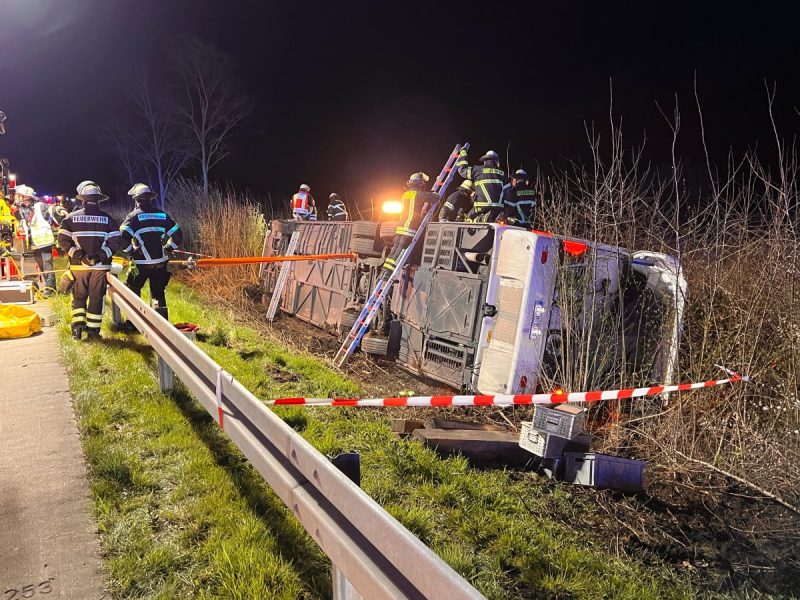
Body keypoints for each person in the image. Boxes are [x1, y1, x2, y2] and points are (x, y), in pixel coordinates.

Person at [58, 181, 121, 340]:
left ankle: (77, 330)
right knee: (96, 298)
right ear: (99, 200)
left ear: (82, 200)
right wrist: (99, 256)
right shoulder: (108, 219)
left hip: (78, 267)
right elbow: (115, 243)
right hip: (100, 268)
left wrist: (79, 256)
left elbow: (63, 241)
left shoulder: (71, 219)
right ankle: (93, 333)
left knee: (78, 297)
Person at [119, 183, 182, 322]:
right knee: (158, 293)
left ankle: (133, 323)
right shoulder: (162, 215)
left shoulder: (133, 216)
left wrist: (131, 252)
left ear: (136, 200)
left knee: (133, 291)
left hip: (141, 263)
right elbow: (178, 234)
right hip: (160, 263)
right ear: (150, 199)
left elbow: (123, 237)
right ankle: (161, 324)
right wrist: (168, 248)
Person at [381, 172, 438, 276]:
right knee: (400, 252)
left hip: (400, 227)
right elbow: (435, 198)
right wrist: (434, 193)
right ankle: (389, 273)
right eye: (423, 183)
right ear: (420, 184)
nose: (424, 185)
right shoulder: (419, 194)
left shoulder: (406, 194)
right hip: (410, 228)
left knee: (394, 250)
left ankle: (385, 270)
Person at [14, 184, 57, 294]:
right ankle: (48, 287)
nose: (17, 197)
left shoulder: (40, 206)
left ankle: (51, 289)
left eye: (20, 195)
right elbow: (23, 222)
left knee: (48, 266)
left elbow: (51, 210)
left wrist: (59, 210)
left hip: (45, 242)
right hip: (34, 242)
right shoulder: (21, 209)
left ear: (26, 196)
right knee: (42, 266)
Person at [455, 148, 507, 222]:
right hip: (498, 208)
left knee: (468, 219)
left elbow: (462, 170)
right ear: (496, 161)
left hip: (481, 206)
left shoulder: (477, 170)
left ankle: (482, 219)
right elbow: (508, 192)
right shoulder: (503, 174)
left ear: (485, 161)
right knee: (492, 221)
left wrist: (463, 154)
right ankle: (486, 219)